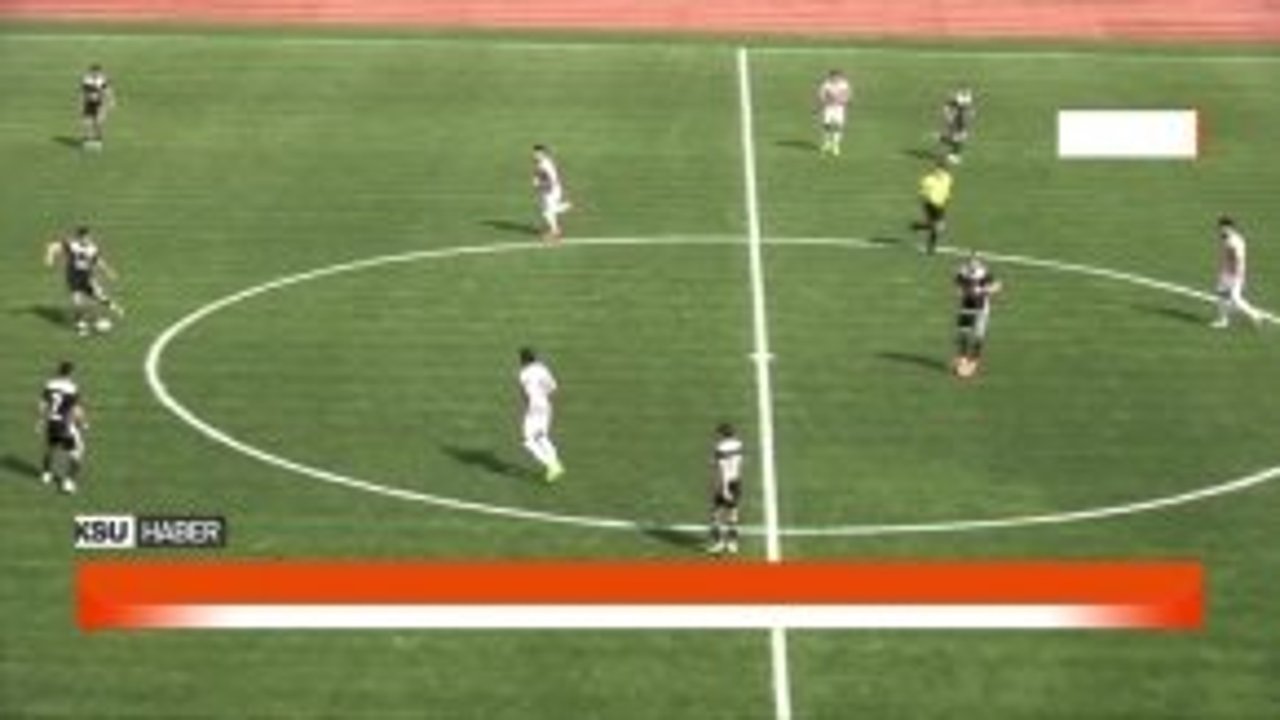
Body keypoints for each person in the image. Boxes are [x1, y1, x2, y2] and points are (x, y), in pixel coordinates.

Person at [45, 225, 123, 335]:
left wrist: (108, 271)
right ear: (79, 237)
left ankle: (114, 307)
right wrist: (49, 257)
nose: (87, 239)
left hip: (86, 276)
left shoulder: (92, 248)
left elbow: (98, 261)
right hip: (73, 276)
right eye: (84, 237)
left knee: (99, 296)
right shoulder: (72, 245)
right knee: (77, 300)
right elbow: (52, 246)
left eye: (88, 237)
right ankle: (81, 326)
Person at [38, 360, 88, 494]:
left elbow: (43, 404)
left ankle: (46, 474)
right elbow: (76, 410)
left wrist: (41, 420)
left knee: (51, 447)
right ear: (71, 373)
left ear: (59, 371)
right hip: (65, 425)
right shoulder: (72, 388)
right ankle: (68, 482)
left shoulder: (50, 384)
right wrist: (83, 423)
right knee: (78, 452)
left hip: (51, 423)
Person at [517, 347, 564, 481]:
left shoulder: (523, 373)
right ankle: (555, 463)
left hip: (534, 407)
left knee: (528, 441)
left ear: (523, 360)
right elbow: (553, 387)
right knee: (541, 436)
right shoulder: (543, 369)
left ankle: (552, 465)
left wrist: (529, 407)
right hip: (546, 406)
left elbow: (525, 394)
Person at [952, 252, 1002, 379]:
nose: (972, 269)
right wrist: (962, 291)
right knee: (963, 332)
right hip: (967, 305)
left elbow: (997, 286)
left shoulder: (984, 274)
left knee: (978, 334)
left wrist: (983, 290)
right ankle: (963, 358)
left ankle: (974, 360)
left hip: (981, 307)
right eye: (970, 266)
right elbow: (957, 286)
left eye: (974, 266)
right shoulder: (962, 272)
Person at [1211, 215, 1264, 328]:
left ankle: (1255, 315)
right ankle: (1223, 320)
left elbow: (1239, 259)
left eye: (1224, 227)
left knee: (1235, 298)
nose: (1221, 229)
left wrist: (1237, 274)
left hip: (1234, 273)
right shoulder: (1226, 237)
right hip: (1227, 271)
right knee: (1221, 294)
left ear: (1230, 227)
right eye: (1220, 227)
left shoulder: (1235, 241)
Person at [707, 422, 744, 556]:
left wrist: (724, 489)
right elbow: (737, 462)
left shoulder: (720, 448)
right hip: (736, 481)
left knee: (716, 513)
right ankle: (733, 544)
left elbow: (723, 470)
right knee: (733, 512)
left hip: (725, 483)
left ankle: (719, 543)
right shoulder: (739, 444)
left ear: (722, 434)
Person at [911, 159, 953, 254]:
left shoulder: (947, 178)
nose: (939, 171)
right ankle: (931, 247)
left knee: (937, 227)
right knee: (938, 227)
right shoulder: (928, 180)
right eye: (938, 169)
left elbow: (947, 190)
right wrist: (928, 201)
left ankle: (920, 227)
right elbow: (923, 194)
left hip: (941, 204)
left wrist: (946, 198)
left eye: (941, 169)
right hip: (931, 204)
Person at [532, 145, 572, 242]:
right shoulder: (542, 163)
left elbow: (552, 180)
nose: (534, 155)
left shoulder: (545, 164)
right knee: (546, 211)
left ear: (543, 153)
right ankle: (555, 230)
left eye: (537, 153)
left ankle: (565, 208)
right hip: (549, 190)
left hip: (551, 191)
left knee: (547, 212)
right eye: (534, 153)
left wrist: (540, 184)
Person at [80, 63, 116, 150]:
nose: (95, 74)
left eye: (97, 72)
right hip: (89, 102)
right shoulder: (87, 80)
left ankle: (98, 138)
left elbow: (108, 90)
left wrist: (111, 100)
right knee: (87, 121)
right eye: (93, 72)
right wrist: (82, 102)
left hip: (100, 103)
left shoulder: (102, 80)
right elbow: (84, 92)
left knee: (98, 122)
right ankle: (88, 139)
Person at [816, 69, 851, 156]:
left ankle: (836, 145)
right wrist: (825, 101)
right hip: (829, 107)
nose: (836, 78)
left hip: (839, 108)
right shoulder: (826, 84)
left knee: (838, 126)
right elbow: (821, 95)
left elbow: (847, 95)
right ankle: (827, 142)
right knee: (826, 125)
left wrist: (843, 100)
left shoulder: (844, 84)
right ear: (831, 76)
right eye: (834, 77)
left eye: (837, 77)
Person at [938, 87, 975, 163]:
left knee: (959, 138)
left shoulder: (961, 103)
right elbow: (949, 113)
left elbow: (968, 111)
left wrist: (969, 114)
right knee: (958, 139)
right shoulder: (954, 106)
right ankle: (953, 155)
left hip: (960, 122)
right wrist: (950, 119)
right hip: (956, 123)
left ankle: (946, 142)